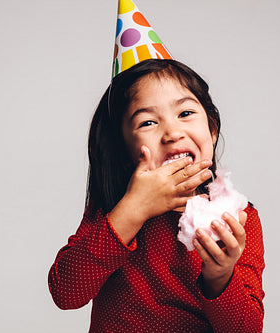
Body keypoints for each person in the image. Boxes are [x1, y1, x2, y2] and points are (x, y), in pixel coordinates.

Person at [48, 58, 265, 332]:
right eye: (148, 122)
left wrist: (220, 276)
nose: (172, 133)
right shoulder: (114, 210)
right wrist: (133, 209)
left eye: (185, 113)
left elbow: (248, 329)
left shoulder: (238, 218)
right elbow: (65, 293)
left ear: (212, 130)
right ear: (125, 150)